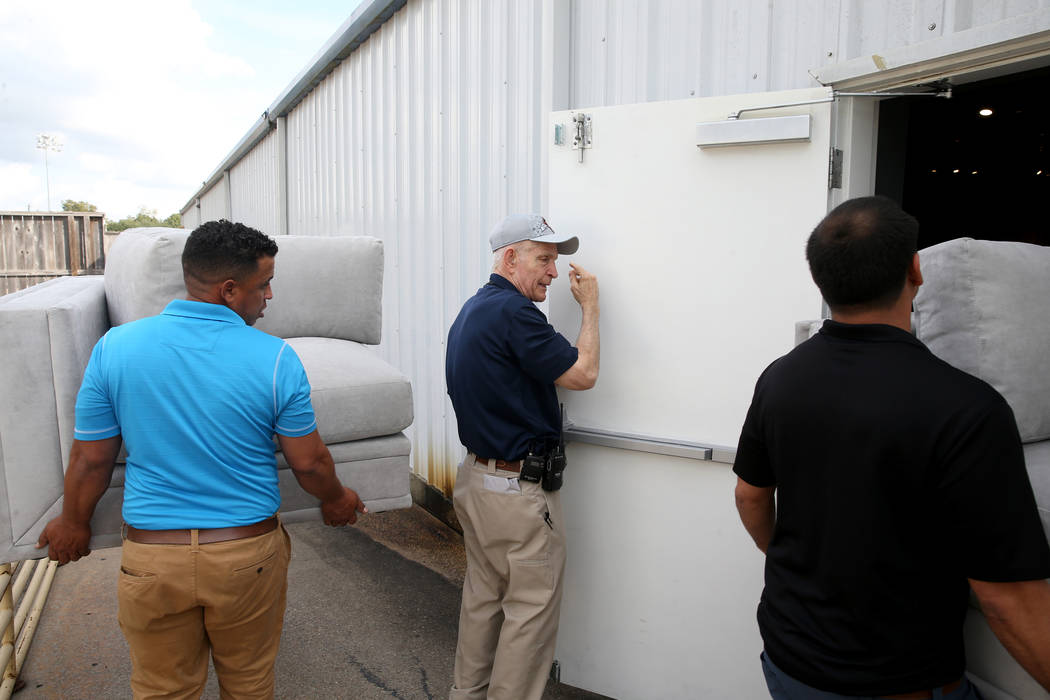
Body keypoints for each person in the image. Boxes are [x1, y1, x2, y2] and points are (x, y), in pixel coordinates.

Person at [733, 196, 1050, 699]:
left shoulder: (780, 378)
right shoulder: (969, 409)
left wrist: (796, 566)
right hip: (896, 682)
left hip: (787, 658)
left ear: (820, 280)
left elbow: (750, 496)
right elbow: (1007, 599)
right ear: (915, 270)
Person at [37, 219, 367, 699]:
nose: (269, 296)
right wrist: (337, 499)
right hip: (244, 557)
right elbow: (310, 463)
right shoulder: (275, 357)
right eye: (264, 284)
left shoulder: (116, 348)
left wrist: (73, 522)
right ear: (230, 290)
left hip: (153, 560)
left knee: (162, 689)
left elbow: (91, 460)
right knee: (248, 684)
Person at [445, 213, 600, 700]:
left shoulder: (475, 308)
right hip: (517, 494)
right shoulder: (515, 313)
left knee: (483, 602)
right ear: (510, 258)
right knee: (529, 616)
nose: (554, 272)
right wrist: (591, 309)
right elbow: (582, 374)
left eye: (555, 261)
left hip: (479, 481)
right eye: (545, 259)